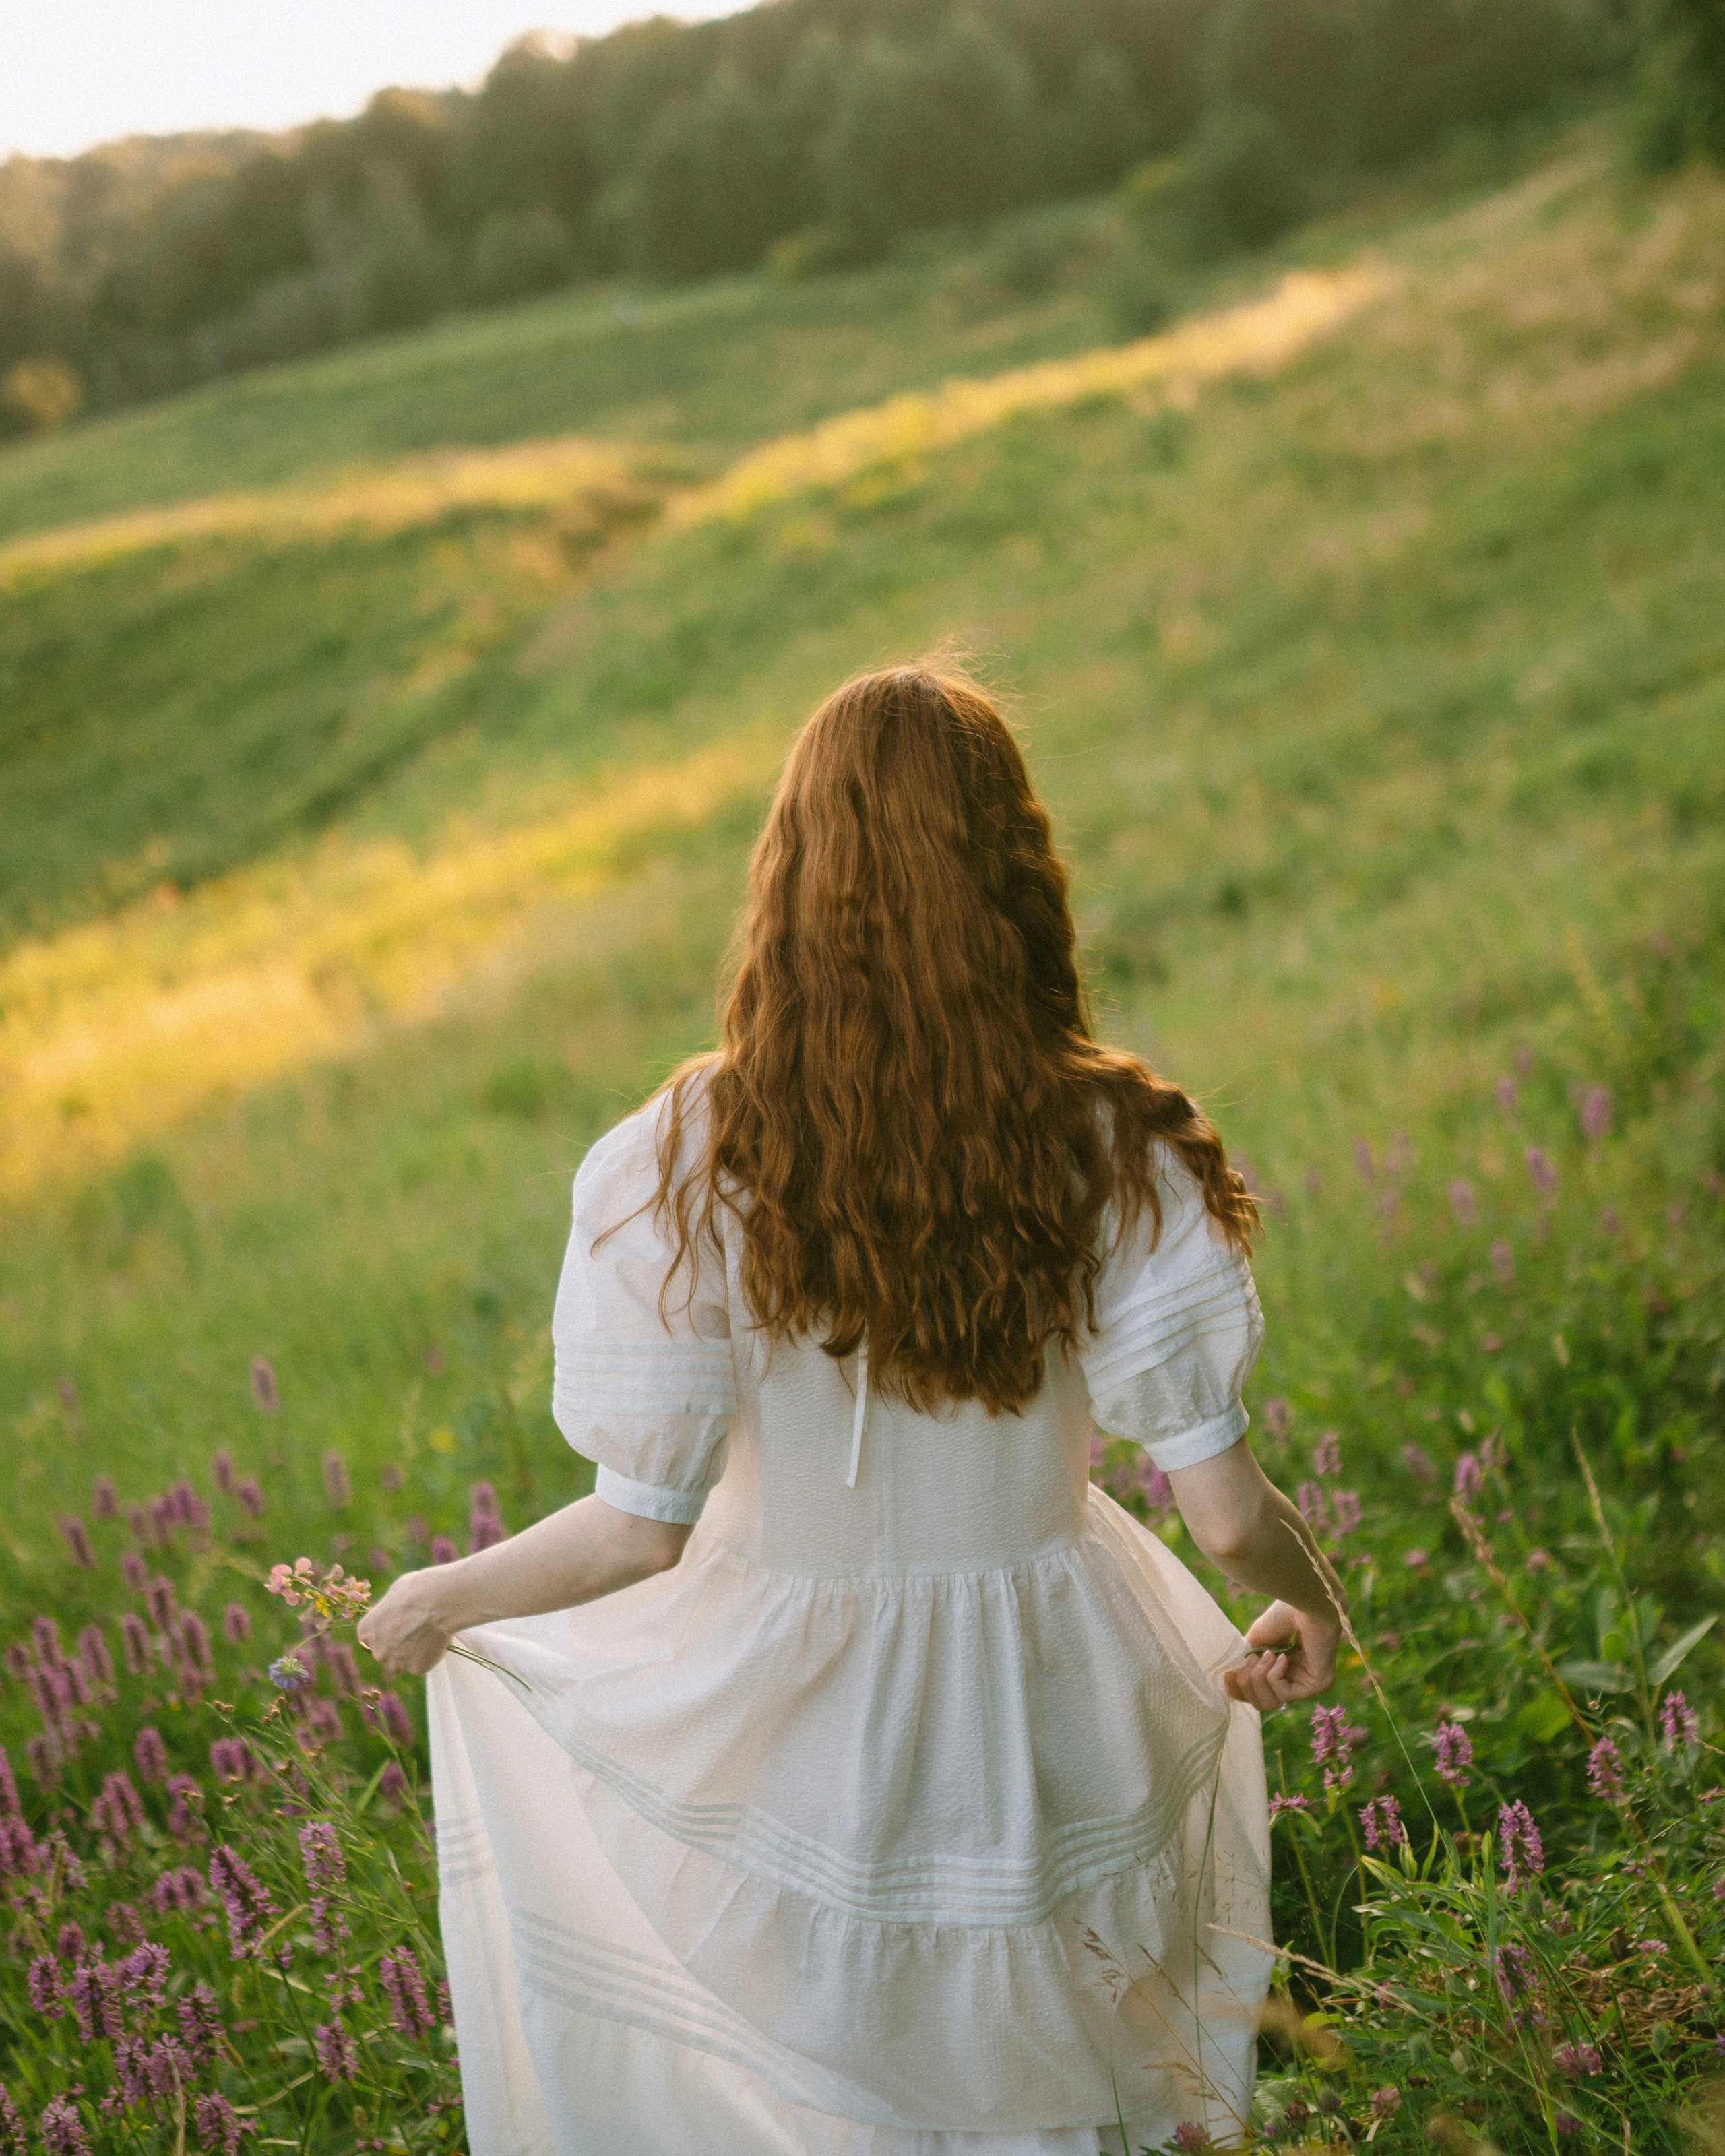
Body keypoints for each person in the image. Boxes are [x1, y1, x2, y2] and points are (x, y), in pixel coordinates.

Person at [358, 664, 1344, 2156]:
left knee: (829, 2095)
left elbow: (637, 1535)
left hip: (787, 1700)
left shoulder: (679, 1155)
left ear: (791, 873)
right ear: (1015, 869)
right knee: (1065, 2082)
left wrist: (448, 1596)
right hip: (1049, 1684)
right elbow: (1218, 1512)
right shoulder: (1110, 1139)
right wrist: (1313, 1603)